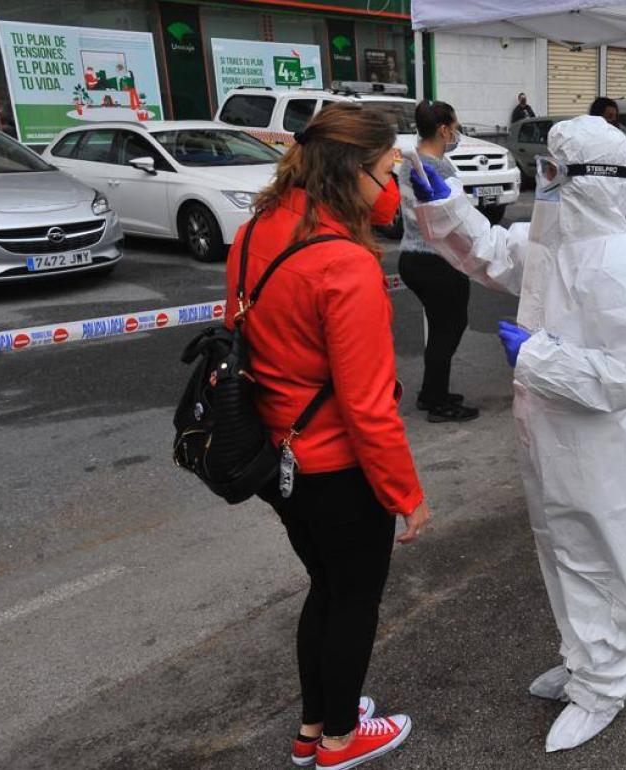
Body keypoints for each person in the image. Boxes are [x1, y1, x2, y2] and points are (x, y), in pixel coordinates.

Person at [410, 116, 626, 752]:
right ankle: (585, 660)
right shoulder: (557, 244)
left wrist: (537, 358)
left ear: (589, 181)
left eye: (553, 170)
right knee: (562, 558)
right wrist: (444, 206)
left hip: (602, 451)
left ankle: (608, 683)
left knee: (606, 564)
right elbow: (498, 253)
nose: (542, 180)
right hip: (550, 438)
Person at [226, 103, 429, 770]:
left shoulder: (258, 228)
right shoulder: (345, 265)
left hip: (274, 455)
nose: (391, 182)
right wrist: (405, 492)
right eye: (385, 168)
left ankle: (316, 725)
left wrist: (386, 173)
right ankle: (341, 740)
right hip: (337, 467)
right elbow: (368, 406)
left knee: (327, 586)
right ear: (354, 172)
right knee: (355, 600)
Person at [397, 101, 480, 422]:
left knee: (442, 326)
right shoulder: (439, 167)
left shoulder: (410, 163)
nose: (457, 134)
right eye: (455, 128)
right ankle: (438, 403)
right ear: (444, 129)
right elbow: (458, 219)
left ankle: (432, 393)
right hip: (438, 260)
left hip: (412, 258)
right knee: (451, 326)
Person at [587, 96, 626, 228]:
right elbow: (618, 189)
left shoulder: (615, 144)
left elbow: (619, 187)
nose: (613, 122)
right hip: (602, 222)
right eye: (609, 117)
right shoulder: (606, 147)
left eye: (615, 117)